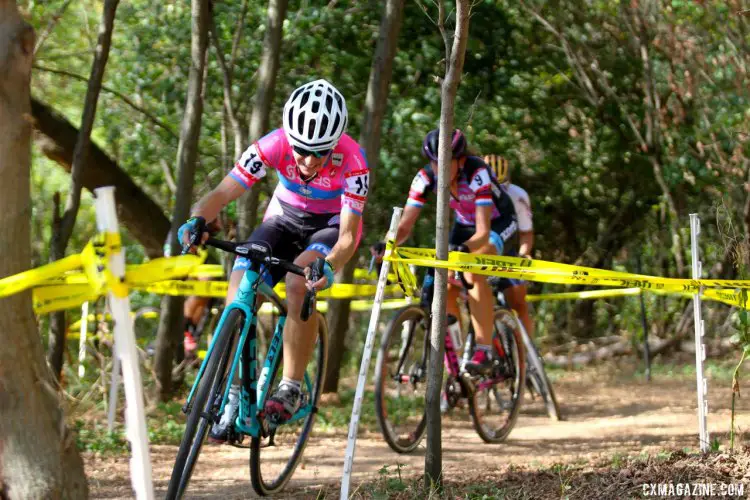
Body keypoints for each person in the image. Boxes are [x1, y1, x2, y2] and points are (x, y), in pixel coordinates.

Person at [178, 79, 369, 439]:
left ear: (336, 143)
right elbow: (222, 192)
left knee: (299, 284)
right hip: (283, 218)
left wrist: (328, 264)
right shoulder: (272, 144)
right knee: (241, 280)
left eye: (321, 152)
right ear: (289, 137)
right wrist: (197, 219)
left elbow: (347, 236)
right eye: (302, 150)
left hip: (328, 227)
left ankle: (292, 386)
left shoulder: (355, 160)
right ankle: (234, 389)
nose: (310, 161)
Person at [372, 129, 518, 374]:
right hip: (464, 225)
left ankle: (484, 349)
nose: (438, 168)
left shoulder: (477, 171)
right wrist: (388, 242)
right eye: (434, 162)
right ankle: (458, 357)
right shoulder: (425, 178)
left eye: (445, 162)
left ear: (460, 160)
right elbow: (405, 225)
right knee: (446, 285)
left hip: (498, 223)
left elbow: (482, 232)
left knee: (472, 270)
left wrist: (464, 250)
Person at [483, 154, 535, 338]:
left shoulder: (518, 195)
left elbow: (526, 233)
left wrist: (523, 254)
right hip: (482, 250)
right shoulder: (471, 191)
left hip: (508, 249)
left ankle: (529, 358)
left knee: (519, 304)